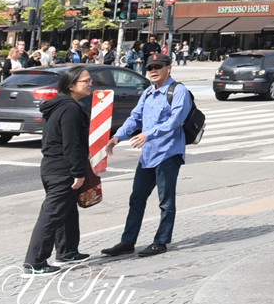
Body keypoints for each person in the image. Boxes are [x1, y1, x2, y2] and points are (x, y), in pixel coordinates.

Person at [102, 56, 191, 257]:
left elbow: (175, 121)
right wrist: (117, 137)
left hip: (168, 153)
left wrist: (147, 135)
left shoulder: (178, 91)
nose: (153, 71)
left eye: (158, 67)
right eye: (149, 67)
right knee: (137, 199)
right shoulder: (148, 92)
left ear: (169, 68)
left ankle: (161, 241)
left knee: (165, 201)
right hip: (148, 155)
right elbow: (135, 117)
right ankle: (127, 242)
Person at [22, 64, 94, 275]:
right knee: (51, 215)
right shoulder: (70, 109)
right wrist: (78, 171)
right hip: (62, 169)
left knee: (67, 210)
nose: (90, 84)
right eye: (86, 81)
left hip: (52, 167)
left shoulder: (59, 105)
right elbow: (70, 143)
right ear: (71, 85)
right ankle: (34, 262)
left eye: (90, 80)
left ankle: (67, 251)